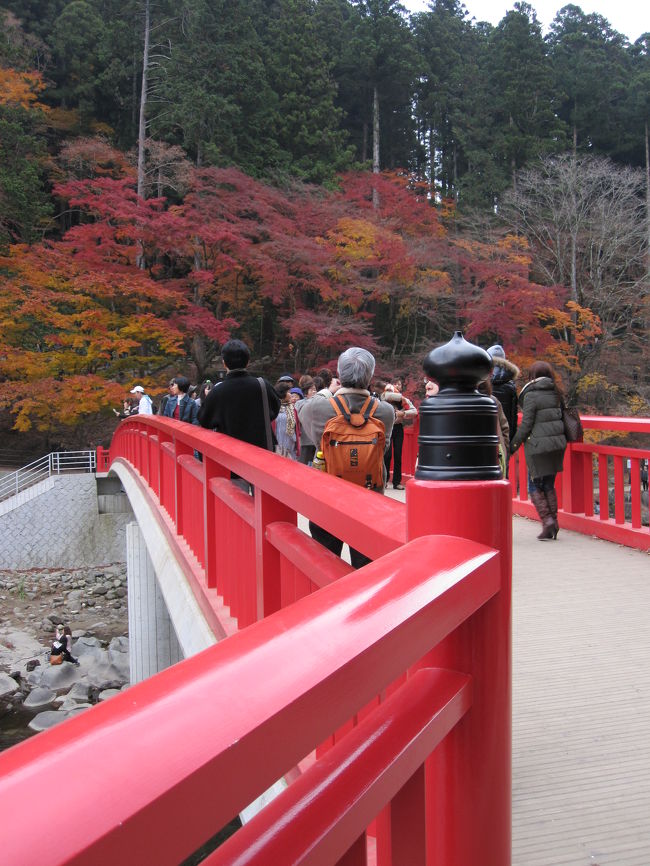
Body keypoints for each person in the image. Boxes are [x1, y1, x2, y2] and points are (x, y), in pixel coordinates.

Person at [297, 347, 395, 569]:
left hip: (328, 501)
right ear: (370, 376)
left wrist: (324, 392)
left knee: (325, 565)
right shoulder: (385, 412)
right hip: (370, 502)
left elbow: (299, 405)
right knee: (367, 571)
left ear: (339, 376)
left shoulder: (318, 408)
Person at [510, 360, 567, 540]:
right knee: (549, 484)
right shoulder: (557, 392)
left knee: (534, 484)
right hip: (556, 444)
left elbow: (526, 425)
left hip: (538, 446)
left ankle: (547, 521)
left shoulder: (531, 395)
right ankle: (554, 523)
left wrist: (513, 445)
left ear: (532, 376)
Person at [198, 339, 280, 451]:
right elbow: (274, 410)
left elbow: (204, 420)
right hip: (262, 452)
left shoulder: (217, 391)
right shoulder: (263, 385)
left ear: (224, 363)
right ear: (248, 362)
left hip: (230, 455)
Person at [381, 377, 417, 490]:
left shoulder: (403, 400)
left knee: (398, 455)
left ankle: (397, 482)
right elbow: (386, 396)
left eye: (400, 385)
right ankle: (384, 480)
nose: (398, 386)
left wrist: (403, 413)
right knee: (387, 454)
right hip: (387, 427)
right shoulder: (384, 396)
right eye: (396, 384)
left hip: (398, 428)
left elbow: (414, 411)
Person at [487, 345, 520, 446]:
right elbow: (513, 416)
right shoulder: (510, 386)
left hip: (484, 434)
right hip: (504, 434)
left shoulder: (481, 381)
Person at [274, 382, 299, 460]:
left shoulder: (292, 408)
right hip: (277, 443)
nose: (290, 394)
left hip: (290, 443)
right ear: (282, 393)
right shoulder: (274, 407)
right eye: (288, 392)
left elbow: (297, 428)